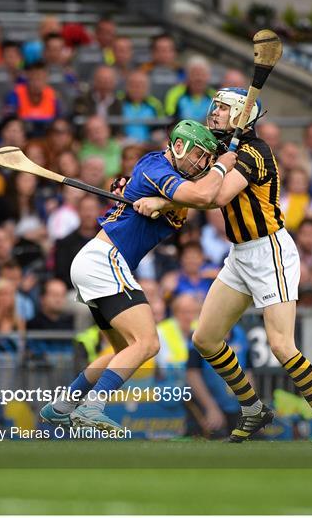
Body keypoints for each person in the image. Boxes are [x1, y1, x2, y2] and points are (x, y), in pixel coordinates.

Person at [135, 88, 312, 444]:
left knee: (282, 345)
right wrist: (148, 193)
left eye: (222, 108)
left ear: (241, 116)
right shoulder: (220, 149)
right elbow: (191, 187)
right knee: (205, 339)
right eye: (214, 106)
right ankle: (253, 409)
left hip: (270, 253)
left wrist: (160, 200)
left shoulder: (255, 152)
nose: (213, 112)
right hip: (239, 255)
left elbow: (216, 196)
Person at [39, 119, 236, 431]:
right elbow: (202, 196)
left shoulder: (167, 178)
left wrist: (160, 201)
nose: (202, 163)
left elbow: (204, 197)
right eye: (198, 154)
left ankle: (62, 404)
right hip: (106, 259)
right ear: (179, 146)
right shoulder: (159, 170)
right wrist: (222, 167)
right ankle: (92, 407)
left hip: (97, 262)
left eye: (206, 158)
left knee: (124, 350)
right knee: (148, 343)